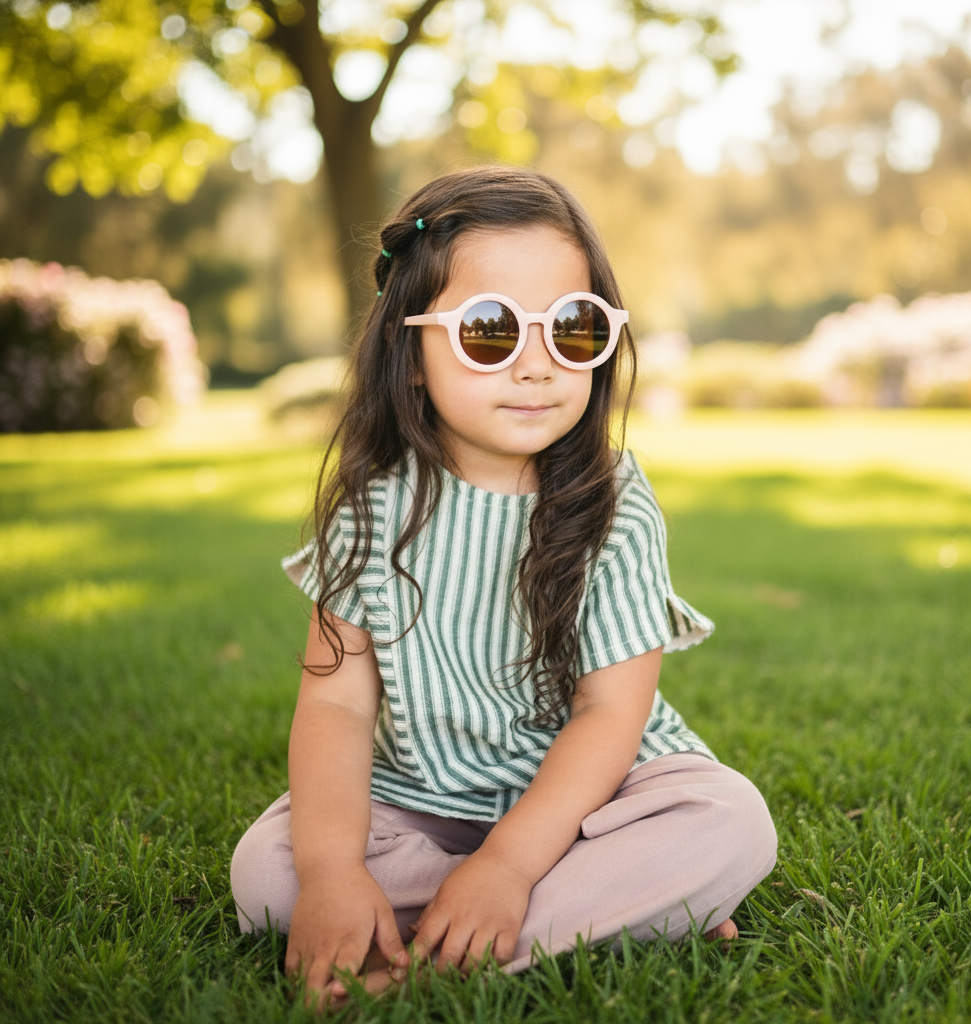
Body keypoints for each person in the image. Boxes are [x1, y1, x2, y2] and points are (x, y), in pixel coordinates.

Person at [230, 166, 777, 1009]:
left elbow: (609, 716)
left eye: (573, 329)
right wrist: (335, 870)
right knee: (271, 872)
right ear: (409, 354)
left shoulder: (615, 503)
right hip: (426, 799)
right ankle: (616, 908)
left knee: (731, 821)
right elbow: (336, 706)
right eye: (490, 330)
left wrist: (510, 864)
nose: (536, 366)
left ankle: (438, 951)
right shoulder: (371, 508)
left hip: (602, 797)